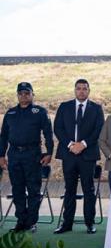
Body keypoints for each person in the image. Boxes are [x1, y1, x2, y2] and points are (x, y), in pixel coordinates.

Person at [0, 82, 53, 232]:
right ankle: (21, 221)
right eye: (21, 93)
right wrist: (1, 155)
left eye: (27, 93)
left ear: (32, 94)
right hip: (14, 154)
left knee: (33, 190)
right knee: (17, 190)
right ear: (17, 95)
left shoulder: (39, 112)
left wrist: (49, 153)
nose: (24, 96)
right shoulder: (10, 114)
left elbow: (48, 133)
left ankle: (31, 222)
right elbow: (3, 136)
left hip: (32, 154)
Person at [54, 79, 104, 234]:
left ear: (89, 91)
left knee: (89, 190)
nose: (81, 91)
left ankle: (90, 223)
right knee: (69, 189)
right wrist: (70, 145)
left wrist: (82, 144)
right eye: (78, 88)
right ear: (74, 90)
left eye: (84, 89)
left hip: (87, 154)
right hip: (68, 154)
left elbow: (98, 130)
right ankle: (66, 224)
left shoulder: (96, 108)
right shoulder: (64, 106)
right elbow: (58, 128)